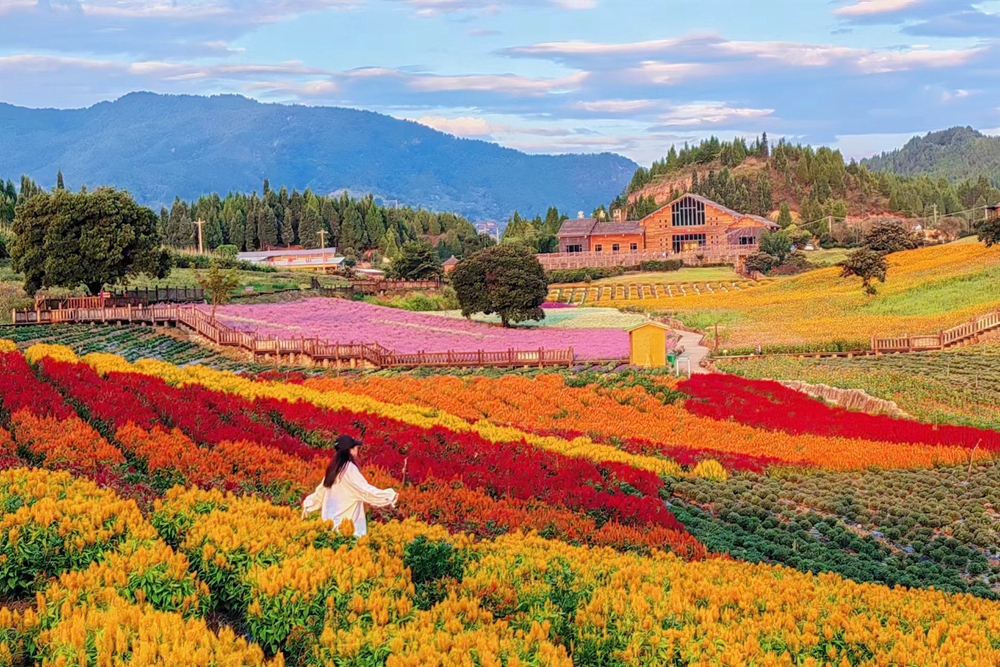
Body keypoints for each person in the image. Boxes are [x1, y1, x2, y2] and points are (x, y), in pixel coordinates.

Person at [304, 434, 398, 537]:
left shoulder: (334, 469)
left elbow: (320, 492)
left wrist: (308, 504)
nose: (357, 450)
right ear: (350, 450)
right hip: (347, 531)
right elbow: (365, 490)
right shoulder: (349, 469)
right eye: (356, 447)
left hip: (329, 528)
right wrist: (388, 495)